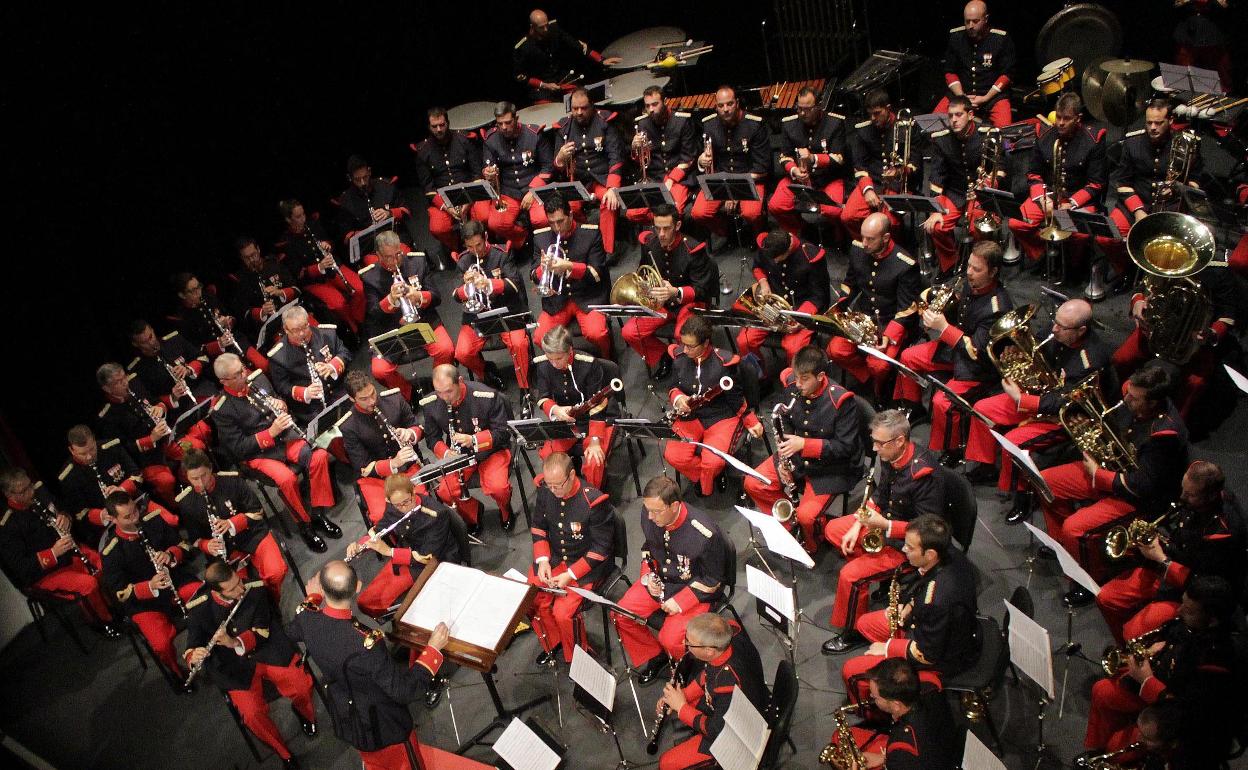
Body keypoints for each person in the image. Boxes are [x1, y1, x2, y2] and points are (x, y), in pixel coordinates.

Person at [287, 561, 485, 770]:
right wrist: (433, 651)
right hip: (383, 727)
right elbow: (403, 691)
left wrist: (312, 598)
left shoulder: (306, 617)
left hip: (348, 716)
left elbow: (293, 631)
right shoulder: (366, 643)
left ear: (322, 589)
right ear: (358, 587)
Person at [1039, 362, 1190, 607]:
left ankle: (1088, 579)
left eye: (1134, 397)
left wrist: (1099, 475)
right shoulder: (1135, 397)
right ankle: (1063, 550)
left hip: (1140, 498)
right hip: (1113, 472)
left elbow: (1143, 486)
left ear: (1153, 403)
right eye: (1128, 391)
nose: (1126, 398)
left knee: (1074, 528)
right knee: (1047, 483)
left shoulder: (1165, 435)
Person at [962, 298, 1113, 502]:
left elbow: (1068, 400)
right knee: (982, 408)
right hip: (1039, 395)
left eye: (1062, 326)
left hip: (1066, 416)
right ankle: (986, 467)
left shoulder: (1091, 360)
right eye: (1055, 321)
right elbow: (1035, 348)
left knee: (1014, 442)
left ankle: (1022, 495)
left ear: (1081, 330)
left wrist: (1023, 400)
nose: (1054, 329)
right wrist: (1016, 353)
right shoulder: (1057, 331)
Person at [821, 410, 945, 653]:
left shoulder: (924, 475)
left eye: (880, 443)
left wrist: (885, 526)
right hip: (884, 523)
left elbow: (927, 528)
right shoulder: (893, 456)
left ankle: (853, 632)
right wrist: (859, 522)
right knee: (834, 530)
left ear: (900, 440)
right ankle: (883, 578)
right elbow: (880, 495)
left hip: (908, 543)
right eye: (873, 441)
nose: (875, 449)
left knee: (850, 576)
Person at [1084, 575, 1238, 763]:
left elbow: (1189, 713)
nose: (1179, 611)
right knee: (1102, 690)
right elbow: (1177, 640)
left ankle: (1108, 757)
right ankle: (1096, 753)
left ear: (1212, 620)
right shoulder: (1196, 625)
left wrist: (1147, 681)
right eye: (1182, 603)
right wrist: (1159, 646)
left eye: (1188, 610)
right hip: (1164, 685)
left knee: (1116, 747)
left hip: (1181, 725)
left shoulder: (1217, 662)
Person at [1094, 460, 1245, 644]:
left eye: (1190, 495)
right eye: (1183, 489)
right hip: (1174, 563)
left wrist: (1161, 559)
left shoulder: (1221, 534)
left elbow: (1202, 584)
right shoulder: (1198, 498)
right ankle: (1127, 651)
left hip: (1194, 594)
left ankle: (1136, 655)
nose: (1182, 497)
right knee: (1106, 599)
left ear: (1211, 496)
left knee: (1131, 632)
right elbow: (1183, 538)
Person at [184, 562, 316, 770]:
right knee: (252, 715)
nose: (240, 589)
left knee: (302, 684)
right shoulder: (198, 609)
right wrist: (193, 655)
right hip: (234, 667)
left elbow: (262, 630)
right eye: (232, 588)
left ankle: (303, 713)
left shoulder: (254, 589)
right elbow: (192, 644)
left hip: (265, 649)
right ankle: (284, 753)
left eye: (238, 581)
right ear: (216, 591)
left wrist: (234, 642)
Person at [840, 514, 979, 701]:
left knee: (851, 671)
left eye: (910, 548)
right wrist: (908, 606)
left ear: (929, 554)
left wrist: (888, 648)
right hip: (929, 626)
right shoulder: (947, 551)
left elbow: (927, 654)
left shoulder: (936, 601)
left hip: (941, 657)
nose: (904, 549)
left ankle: (879, 711)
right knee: (865, 623)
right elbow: (925, 586)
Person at [210, 353, 340, 552]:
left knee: (319, 456)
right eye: (237, 375)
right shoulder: (222, 409)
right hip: (258, 455)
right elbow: (238, 448)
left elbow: (279, 401)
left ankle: (318, 514)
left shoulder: (258, 378)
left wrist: (282, 405)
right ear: (223, 381)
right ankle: (304, 525)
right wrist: (270, 432)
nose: (244, 375)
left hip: (284, 440)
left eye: (242, 369)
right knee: (287, 479)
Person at [894, 241, 1014, 454]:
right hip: (955, 350)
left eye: (976, 269)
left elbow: (976, 351)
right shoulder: (971, 283)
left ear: (993, 272)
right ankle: (914, 408)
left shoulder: (998, 307)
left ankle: (951, 450)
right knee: (908, 357)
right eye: (968, 265)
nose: (969, 272)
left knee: (943, 403)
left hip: (978, 367)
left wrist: (943, 327)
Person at [743, 346, 863, 553]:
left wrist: (805, 445)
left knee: (808, 517)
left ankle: (811, 543)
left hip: (830, 468)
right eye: (796, 377)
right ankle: (789, 525)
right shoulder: (794, 384)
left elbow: (846, 447)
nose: (798, 384)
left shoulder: (842, 401)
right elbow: (786, 419)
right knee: (753, 483)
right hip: (795, 457)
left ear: (821, 376)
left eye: (804, 379)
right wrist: (783, 459)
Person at [612, 476, 728, 684]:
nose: (650, 516)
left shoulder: (704, 533)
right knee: (621, 613)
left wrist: (681, 601)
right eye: (648, 509)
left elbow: (713, 580)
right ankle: (656, 656)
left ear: (674, 505)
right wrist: (647, 576)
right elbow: (650, 548)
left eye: (656, 511)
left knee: (671, 638)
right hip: (662, 581)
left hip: (694, 591)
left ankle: (683, 665)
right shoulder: (649, 514)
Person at [0, 467, 117, 636]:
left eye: (30, 486)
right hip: (45, 573)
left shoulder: (40, 492)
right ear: (9, 495)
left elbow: (63, 509)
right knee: (87, 584)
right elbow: (21, 567)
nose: (31, 493)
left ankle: (114, 607)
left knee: (102, 563)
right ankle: (103, 622)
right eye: (23, 491)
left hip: (70, 553)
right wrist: (53, 553)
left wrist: (65, 518)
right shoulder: (7, 526)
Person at [100, 490, 202, 682]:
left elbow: (184, 546)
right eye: (127, 517)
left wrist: (171, 555)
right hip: (144, 602)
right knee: (161, 644)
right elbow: (119, 593)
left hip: (175, 581)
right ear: (113, 520)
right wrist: (149, 586)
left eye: (135, 512)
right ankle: (178, 674)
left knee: (204, 598)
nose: (135, 518)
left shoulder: (153, 521)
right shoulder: (111, 551)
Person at [1099, 99, 1205, 278]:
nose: (1153, 127)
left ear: (1170, 120)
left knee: (1169, 246)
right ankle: (1125, 271)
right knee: (1106, 237)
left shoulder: (1186, 145)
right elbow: (1122, 183)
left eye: (1158, 122)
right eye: (1149, 123)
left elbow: (1195, 180)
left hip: (1170, 206)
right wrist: (1138, 211)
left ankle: (1159, 276)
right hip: (1137, 202)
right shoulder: (1132, 143)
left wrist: (1178, 189)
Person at [527, 452, 615, 665]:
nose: (554, 491)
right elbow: (539, 527)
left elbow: (600, 548)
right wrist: (543, 560)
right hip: (555, 559)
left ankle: (578, 655)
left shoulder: (594, 501)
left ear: (572, 475)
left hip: (585, 566)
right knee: (530, 597)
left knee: (563, 612)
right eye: (550, 485)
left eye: (558, 485)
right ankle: (554, 642)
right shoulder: (545, 491)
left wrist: (571, 574)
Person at [665, 315, 764, 497]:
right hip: (691, 416)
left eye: (690, 346)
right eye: (683, 344)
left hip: (721, 417)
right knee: (674, 455)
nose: (685, 350)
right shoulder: (679, 357)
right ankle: (703, 478)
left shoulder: (724, 364)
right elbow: (673, 385)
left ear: (705, 343)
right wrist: (679, 399)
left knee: (713, 463)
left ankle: (708, 483)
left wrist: (751, 421)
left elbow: (737, 399)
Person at [825, 211, 921, 399]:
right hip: (863, 316)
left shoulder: (904, 264)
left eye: (870, 239)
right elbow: (849, 284)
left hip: (889, 321)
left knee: (879, 365)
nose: (865, 243)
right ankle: (867, 378)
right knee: (835, 350)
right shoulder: (858, 249)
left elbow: (907, 309)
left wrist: (888, 336)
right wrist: (837, 309)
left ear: (886, 237)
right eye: (863, 237)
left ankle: (879, 391)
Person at [654, 614, 767, 770]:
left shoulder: (727, 683)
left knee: (667, 763)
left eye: (689, 643)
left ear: (708, 651)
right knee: (689, 703)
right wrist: (683, 695)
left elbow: (716, 730)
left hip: (738, 731)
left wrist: (681, 707)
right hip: (742, 701)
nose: (684, 644)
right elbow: (708, 673)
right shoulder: (729, 634)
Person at [341, 370, 454, 524]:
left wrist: (410, 433)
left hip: (408, 470)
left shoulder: (394, 399)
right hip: (377, 480)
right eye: (364, 399)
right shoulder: (349, 425)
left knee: (418, 503)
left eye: (373, 394)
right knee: (383, 517)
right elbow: (362, 466)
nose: (371, 401)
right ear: (352, 398)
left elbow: (418, 427)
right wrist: (392, 463)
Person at [1007, 92, 1106, 266]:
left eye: (1066, 118)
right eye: (1058, 117)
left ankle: (1070, 265)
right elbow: (1033, 174)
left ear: (1078, 118)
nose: (1060, 123)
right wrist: (1042, 199)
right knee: (1016, 224)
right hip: (1048, 197)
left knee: (1077, 234)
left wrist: (1071, 203)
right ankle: (1043, 253)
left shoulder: (1093, 141)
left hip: (1078, 200)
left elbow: (1096, 183)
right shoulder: (1044, 136)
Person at [178, 449, 288, 601]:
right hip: (227, 550)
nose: (201, 483)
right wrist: (206, 544)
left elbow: (257, 511)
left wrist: (231, 523)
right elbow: (194, 538)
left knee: (276, 571)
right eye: (194, 479)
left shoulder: (233, 481)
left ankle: (272, 599)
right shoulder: (187, 503)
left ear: (210, 468)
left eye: (203, 475)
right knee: (236, 591)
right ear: (187, 478)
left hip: (252, 535)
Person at [359, 229, 455, 401]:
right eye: (388, 257)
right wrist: (390, 300)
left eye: (398, 254)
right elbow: (373, 314)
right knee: (379, 370)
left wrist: (419, 296)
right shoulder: (370, 277)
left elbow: (437, 296)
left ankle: (438, 387)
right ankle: (408, 393)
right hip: (391, 329)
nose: (395, 261)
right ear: (378, 256)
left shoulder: (417, 262)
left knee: (446, 349)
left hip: (423, 321)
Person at [620, 204, 714, 378]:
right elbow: (644, 271)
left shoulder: (693, 249)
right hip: (660, 303)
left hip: (688, 303)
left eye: (666, 228)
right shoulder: (649, 244)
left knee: (682, 335)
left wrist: (676, 292)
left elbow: (703, 289)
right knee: (630, 332)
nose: (661, 234)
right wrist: (648, 288)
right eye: (657, 228)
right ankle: (665, 356)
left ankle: (691, 370)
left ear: (677, 226)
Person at [348, 474, 461, 621]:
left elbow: (427, 556)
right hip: (405, 557)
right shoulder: (393, 505)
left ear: (413, 492)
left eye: (407, 502)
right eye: (397, 505)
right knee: (366, 602)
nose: (403, 508)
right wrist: (361, 544)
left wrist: (390, 552)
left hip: (434, 562)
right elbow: (382, 528)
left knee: (377, 603)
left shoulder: (436, 514)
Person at [420, 364, 514, 535]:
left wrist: (474, 440)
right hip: (458, 456)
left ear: (460, 381)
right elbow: (432, 438)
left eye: (448, 391)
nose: (444, 398)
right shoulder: (431, 404)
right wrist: (447, 453)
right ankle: (473, 512)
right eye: (439, 392)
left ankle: (505, 510)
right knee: (445, 492)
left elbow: (503, 433)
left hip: (491, 451)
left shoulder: (485, 396)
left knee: (498, 488)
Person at [96, 361, 204, 507]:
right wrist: (150, 439)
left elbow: (156, 401)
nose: (125, 383)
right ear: (107, 388)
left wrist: (159, 408)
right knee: (166, 481)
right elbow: (122, 449)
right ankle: (182, 508)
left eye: (124, 377)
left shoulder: (134, 385)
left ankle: (199, 491)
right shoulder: (108, 415)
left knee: (195, 448)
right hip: (146, 459)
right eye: (118, 382)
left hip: (166, 440)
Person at [530, 326, 619, 490]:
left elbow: (598, 405)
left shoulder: (589, 364)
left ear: (570, 351)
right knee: (550, 458)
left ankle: (592, 496)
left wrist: (594, 440)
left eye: (558, 358)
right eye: (550, 359)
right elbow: (543, 398)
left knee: (595, 460)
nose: (554, 364)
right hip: (567, 420)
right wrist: (556, 409)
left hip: (599, 418)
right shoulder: (544, 365)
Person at [833, 658, 958, 770]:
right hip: (942, 751)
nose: (870, 697)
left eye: (875, 697)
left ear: (896, 705)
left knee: (838, 737)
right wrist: (883, 758)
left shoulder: (902, 748)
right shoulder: (930, 686)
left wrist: (890, 759)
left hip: (920, 760)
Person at [451, 220, 531, 390]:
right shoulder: (464, 261)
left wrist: (489, 284)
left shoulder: (502, 253)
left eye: (478, 245)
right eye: (470, 247)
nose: (475, 251)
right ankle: (487, 371)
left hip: (507, 311)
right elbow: (455, 296)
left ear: (486, 237)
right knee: (462, 353)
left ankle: (525, 390)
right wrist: (467, 287)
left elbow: (515, 285)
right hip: (477, 317)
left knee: (519, 344)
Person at [924, 95, 998, 276]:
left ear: (970, 115)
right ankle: (950, 264)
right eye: (950, 116)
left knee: (978, 228)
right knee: (937, 226)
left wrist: (985, 186)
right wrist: (936, 209)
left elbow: (1000, 167)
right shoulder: (940, 139)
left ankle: (980, 267)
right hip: (955, 192)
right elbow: (937, 176)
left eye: (958, 115)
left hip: (982, 191)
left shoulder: (988, 134)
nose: (954, 120)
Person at [530, 194, 612, 358]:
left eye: (560, 221)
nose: (556, 227)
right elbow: (533, 276)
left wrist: (569, 266)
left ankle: (608, 358)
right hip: (558, 299)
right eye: (551, 222)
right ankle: (566, 361)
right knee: (540, 338)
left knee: (597, 333)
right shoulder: (541, 237)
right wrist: (543, 268)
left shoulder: (591, 234)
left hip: (588, 296)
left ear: (571, 215)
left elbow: (597, 274)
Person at [734, 230, 830, 363]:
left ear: (789, 249)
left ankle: (793, 381)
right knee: (745, 341)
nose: (773, 261)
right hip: (774, 303)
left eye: (777, 258)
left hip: (802, 306)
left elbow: (819, 295)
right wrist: (763, 282)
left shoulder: (810, 256)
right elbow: (758, 266)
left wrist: (799, 319)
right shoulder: (768, 245)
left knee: (793, 348)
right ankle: (758, 376)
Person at [768, 86, 852, 236]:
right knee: (775, 206)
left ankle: (838, 236)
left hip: (828, 178)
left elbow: (839, 159)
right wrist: (794, 170)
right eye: (799, 108)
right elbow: (784, 156)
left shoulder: (835, 123)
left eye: (807, 109)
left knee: (833, 211)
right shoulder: (789, 124)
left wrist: (813, 158)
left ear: (819, 106)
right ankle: (802, 229)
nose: (802, 113)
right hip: (798, 179)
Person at [551, 88, 624, 258]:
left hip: (601, 180)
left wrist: (613, 187)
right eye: (575, 109)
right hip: (578, 182)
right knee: (569, 208)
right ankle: (583, 245)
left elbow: (616, 156)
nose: (579, 112)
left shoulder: (605, 122)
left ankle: (606, 251)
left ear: (592, 106)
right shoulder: (563, 128)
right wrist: (560, 157)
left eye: (583, 108)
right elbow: (557, 166)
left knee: (609, 202)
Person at [690, 86, 770, 237]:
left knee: (751, 213)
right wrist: (701, 161)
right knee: (698, 213)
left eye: (730, 104)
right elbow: (707, 158)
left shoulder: (754, 125)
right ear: (716, 107)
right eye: (721, 106)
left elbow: (762, 166)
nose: (725, 109)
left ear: (737, 103)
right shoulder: (709, 125)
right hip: (720, 180)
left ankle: (759, 237)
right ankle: (728, 231)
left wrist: (734, 193)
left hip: (750, 178)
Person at [276, 199, 365, 334]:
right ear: (289, 219)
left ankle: (359, 319)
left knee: (359, 288)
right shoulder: (286, 243)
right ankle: (354, 328)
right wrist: (319, 267)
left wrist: (327, 244)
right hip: (314, 282)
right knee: (338, 304)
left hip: (333, 268)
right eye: (298, 217)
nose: (303, 219)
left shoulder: (312, 224)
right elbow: (297, 274)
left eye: (303, 214)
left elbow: (330, 241)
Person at [841, 89, 919, 239]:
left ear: (888, 108)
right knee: (848, 216)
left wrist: (899, 172)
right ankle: (869, 247)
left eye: (877, 113)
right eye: (870, 114)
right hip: (873, 181)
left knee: (890, 223)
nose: (872, 118)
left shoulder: (907, 127)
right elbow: (859, 164)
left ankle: (888, 251)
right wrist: (867, 190)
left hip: (898, 182)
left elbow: (915, 163)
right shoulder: (863, 130)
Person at [411, 106, 485, 253]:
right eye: (434, 126)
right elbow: (428, 188)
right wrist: (447, 207)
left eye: (442, 125)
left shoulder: (465, 140)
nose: (439, 129)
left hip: (470, 193)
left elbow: (477, 174)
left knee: (484, 215)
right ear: (429, 127)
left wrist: (468, 200)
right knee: (438, 228)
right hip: (443, 199)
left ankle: (484, 245)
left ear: (448, 123)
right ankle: (457, 248)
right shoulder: (422, 151)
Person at [481, 101, 553, 250]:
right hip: (509, 191)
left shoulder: (534, 135)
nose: (504, 127)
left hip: (533, 187)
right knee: (496, 224)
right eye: (500, 123)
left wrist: (533, 191)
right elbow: (488, 167)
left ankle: (544, 247)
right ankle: (523, 237)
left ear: (516, 118)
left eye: (508, 122)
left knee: (542, 219)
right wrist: (488, 174)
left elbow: (548, 166)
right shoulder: (491, 139)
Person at [265, 305, 351, 427]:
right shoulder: (278, 356)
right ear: (286, 329)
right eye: (295, 330)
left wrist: (332, 366)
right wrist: (305, 392)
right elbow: (281, 386)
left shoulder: (326, 334)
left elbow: (345, 353)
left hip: (339, 390)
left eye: (304, 327)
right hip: (311, 407)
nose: (301, 334)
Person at [511, 9, 620, 104]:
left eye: (546, 25)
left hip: (563, 80)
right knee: (550, 111)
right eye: (541, 27)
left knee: (582, 101)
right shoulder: (523, 47)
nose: (546, 29)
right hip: (541, 89)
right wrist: (544, 85)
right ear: (532, 27)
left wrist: (600, 59)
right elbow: (521, 76)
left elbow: (577, 46)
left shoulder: (554, 29)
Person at [166, 271, 269, 372]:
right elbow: (195, 349)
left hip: (236, 341)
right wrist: (218, 344)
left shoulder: (208, 297)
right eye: (193, 290)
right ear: (182, 295)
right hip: (219, 359)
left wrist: (228, 321)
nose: (199, 292)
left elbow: (232, 316)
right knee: (245, 377)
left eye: (199, 287)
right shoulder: (182, 318)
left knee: (263, 365)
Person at [936, 1, 1015, 127]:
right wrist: (961, 96)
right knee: (934, 124)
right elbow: (950, 71)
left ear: (986, 19)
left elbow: (1007, 75)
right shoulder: (956, 37)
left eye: (975, 21)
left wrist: (985, 98)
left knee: (1005, 132)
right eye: (967, 21)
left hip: (992, 97)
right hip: (960, 93)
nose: (970, 25)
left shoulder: (1000, 39)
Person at [626, 87, 698, 223]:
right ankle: (659, 229)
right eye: (647, 106)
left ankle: (666, 230)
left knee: (672, 212)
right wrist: (635, 148)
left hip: (678, 178)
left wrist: (671, 179)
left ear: (665, 102)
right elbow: (641, 160)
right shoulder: (642, 123)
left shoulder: (682, 121)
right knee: (632, 213)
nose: (651, 109)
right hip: (654, 177)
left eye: (655, 104)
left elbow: (689, 157)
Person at [58, 424, 142, 538]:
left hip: (135, 504)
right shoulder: (68, 476)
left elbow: (137, 474)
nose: (89, 457)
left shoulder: (111, 447)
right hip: (109, 525)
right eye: (82, 454)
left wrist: (122, 489)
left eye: (92, 449)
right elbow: (79, 512)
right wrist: (101, 515)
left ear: (94, 439)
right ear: (71, 450)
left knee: (170, 520)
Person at [227, 236, 301, 349]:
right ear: (241, 258)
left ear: (258, 250)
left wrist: (280, 292)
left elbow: (296, 289)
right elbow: (244, 313)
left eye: (253, 255)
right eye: (247, 258)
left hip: (293, 313)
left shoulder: (273, 264)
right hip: (272, 328)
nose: (252, 260)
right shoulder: (240, 280)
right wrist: (262, 312)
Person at [127, 319, 215, 407]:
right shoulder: (137, 369)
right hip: (179, 408)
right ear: (136, 344)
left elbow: (204, 358)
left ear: (153, 330)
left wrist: (188, 369)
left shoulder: (174, 341)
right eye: (144, 342)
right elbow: (151, 399)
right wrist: (172, 397)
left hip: (202, 389)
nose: (151, 343)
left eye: (151, 337)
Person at [333, 155, 408, 253]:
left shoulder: (385, 186)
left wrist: (389, 213)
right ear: (349, 178)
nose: (363, 183)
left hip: (396, 238)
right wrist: (365, 233)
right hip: (371, 249)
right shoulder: (345, 202)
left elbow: (407, 211)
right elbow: (345, 236)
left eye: (365, 177)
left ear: (369, 171)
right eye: (357, 179)